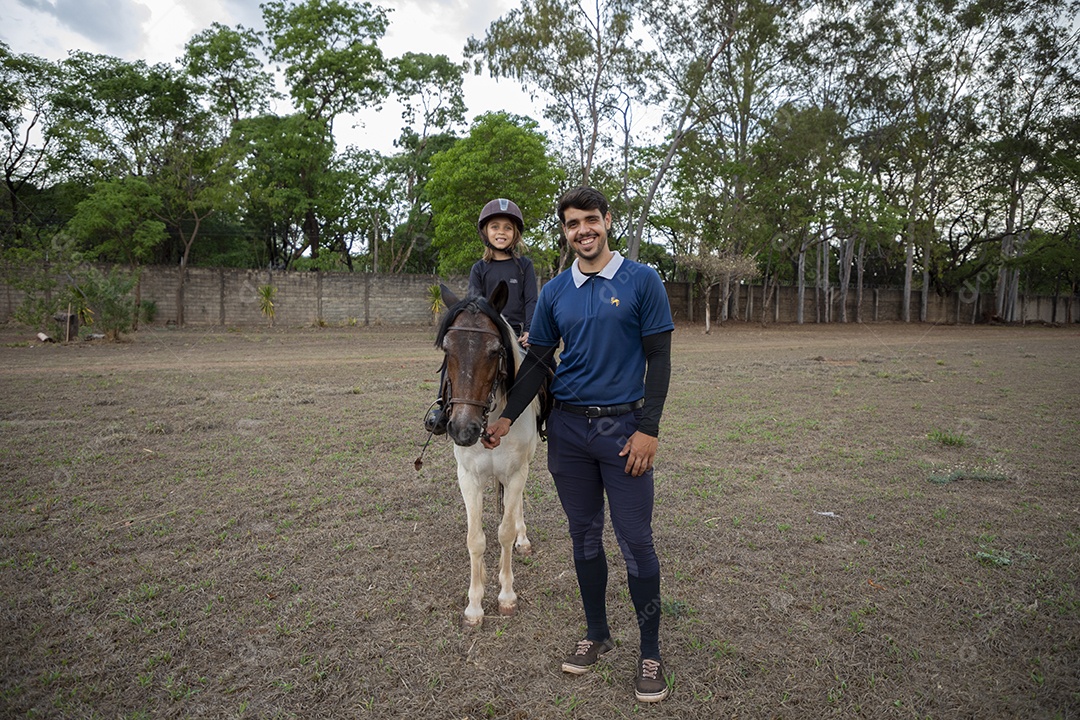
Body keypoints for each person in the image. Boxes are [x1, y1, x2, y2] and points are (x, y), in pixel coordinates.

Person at [482, 186, 675, 703]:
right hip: (567, 432)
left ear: (607, 220)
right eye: (572, 224)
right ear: (564, 232)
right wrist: (504, 418)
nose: (583, 231)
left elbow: (660, 358)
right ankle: (597, 634)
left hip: (623, 431)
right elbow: (540, 364)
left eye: (591, 220)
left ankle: (650, 650)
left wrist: (649, 428)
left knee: (636, 542)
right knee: (583, 538)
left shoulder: (641, 280)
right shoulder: (554, 293)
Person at [424, 198, 538, 435]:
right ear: (486, 232)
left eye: (507, 228)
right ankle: (441, 405)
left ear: (515, 234)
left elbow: (531, 300)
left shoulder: (524, 266)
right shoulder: (480, 268)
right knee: (452, 359)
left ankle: (549, 415)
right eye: (495, 227)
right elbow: (475, 306)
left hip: (517, 335)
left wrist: (530, 329)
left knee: (547, 368)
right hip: (487, 335)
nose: (501, 232)